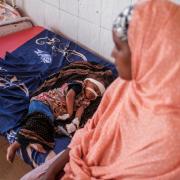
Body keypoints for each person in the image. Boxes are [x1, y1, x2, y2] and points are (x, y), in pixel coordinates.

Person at [21, 0, 180, 179]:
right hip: (80, 159)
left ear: (149, 53)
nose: (113, 55)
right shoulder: (124, 86)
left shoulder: (170, 136)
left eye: (120, 48)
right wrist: (52, 170)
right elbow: (90, 130)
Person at [6, 77, 106, 163]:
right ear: (87, 82)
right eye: (95, 88)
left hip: (52, 112)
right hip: (45, 102)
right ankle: (15, 145)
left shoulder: (86, 101)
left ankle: (33, 141)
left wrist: (76, 122)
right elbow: (69, 96)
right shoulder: (78, 86)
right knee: (40, 120)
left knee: (48, 127)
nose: (95, 94)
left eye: (98, 93)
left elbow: (80, 110)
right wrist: (70, 114)